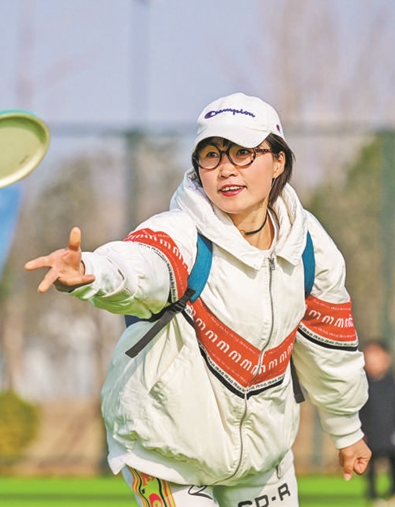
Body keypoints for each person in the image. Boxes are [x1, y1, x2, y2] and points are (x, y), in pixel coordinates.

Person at [26, 92, 371, 507]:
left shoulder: (310, 246)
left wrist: (347, 429)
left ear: (278, 161)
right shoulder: (181, 233)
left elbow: (330, 347)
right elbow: (142, 265)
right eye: (211, 155)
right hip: (164, 453)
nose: (226, 169)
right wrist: (92, 271)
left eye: (243, 153)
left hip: (262, 459)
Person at [359, 340, 395, 507]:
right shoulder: (361, 382)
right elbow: (357, 410)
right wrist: (358, 432)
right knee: (370, 464)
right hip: (370, 433)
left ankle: (393, 493)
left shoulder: (392, 381)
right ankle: (373, 496)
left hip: (391, 432)